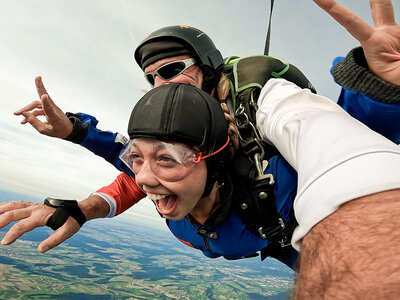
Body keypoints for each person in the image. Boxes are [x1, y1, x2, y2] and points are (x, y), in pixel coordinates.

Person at [1, 0, 400, 296]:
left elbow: (335, 143)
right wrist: (79, 168)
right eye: (152, 77)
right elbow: (134, 174)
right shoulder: (163, 144)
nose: (164, 83)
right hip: (239, 234)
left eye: (173, 69)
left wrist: (378, 90)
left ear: (206, 68)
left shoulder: (262, 102)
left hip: (289, 238)